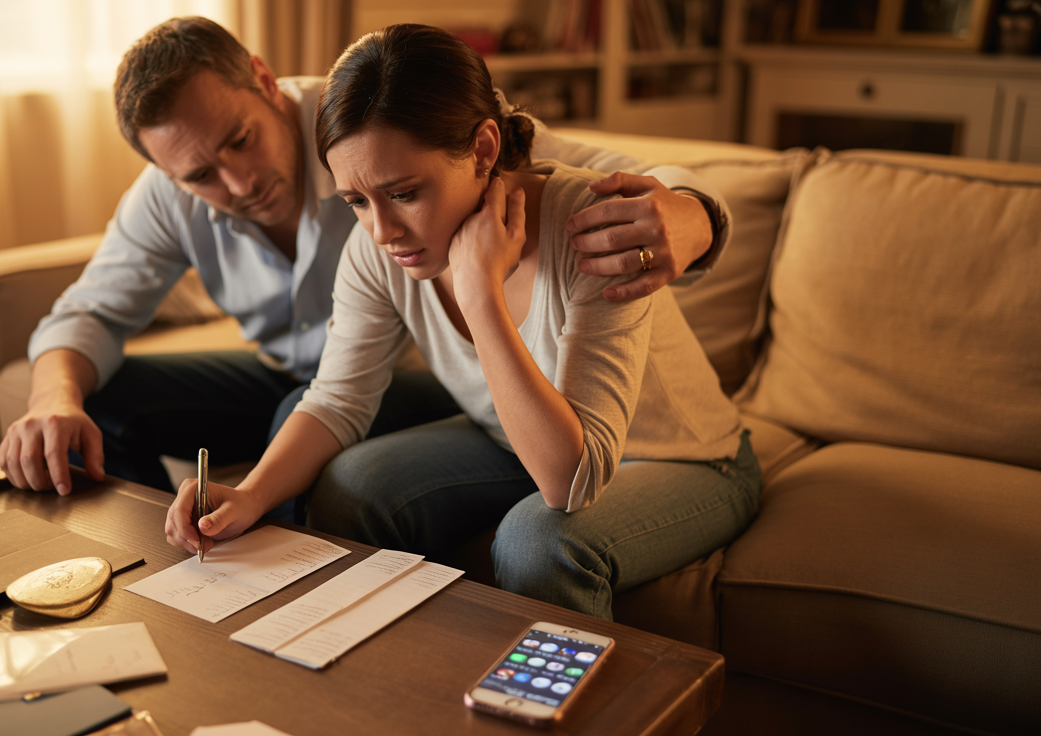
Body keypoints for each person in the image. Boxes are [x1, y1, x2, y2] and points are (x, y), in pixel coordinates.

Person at [0, 17, 735, 506]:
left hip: (423, 383)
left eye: (240, 142)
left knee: (313, 426)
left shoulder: (374, 123)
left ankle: (270, 591)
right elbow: (88, 312)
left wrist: (695, 212)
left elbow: (554, 163)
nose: (237, 184)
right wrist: (51, 401)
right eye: (197, 176)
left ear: (262, 80)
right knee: (99, 397)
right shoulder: (171, 193)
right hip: (316, 381)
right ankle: (161, 572)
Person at [164, 24, 761, 620]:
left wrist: (480, 294)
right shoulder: (377, 248)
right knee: (349, 484)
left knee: (538, 543)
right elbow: (338, 399)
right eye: (355, 200)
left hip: (682, 460)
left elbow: (569, 482)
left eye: (403, 192)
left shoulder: (593, 229)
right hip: (510, 437)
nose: (381, 231)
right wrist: (249, 495)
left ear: (482, 150)